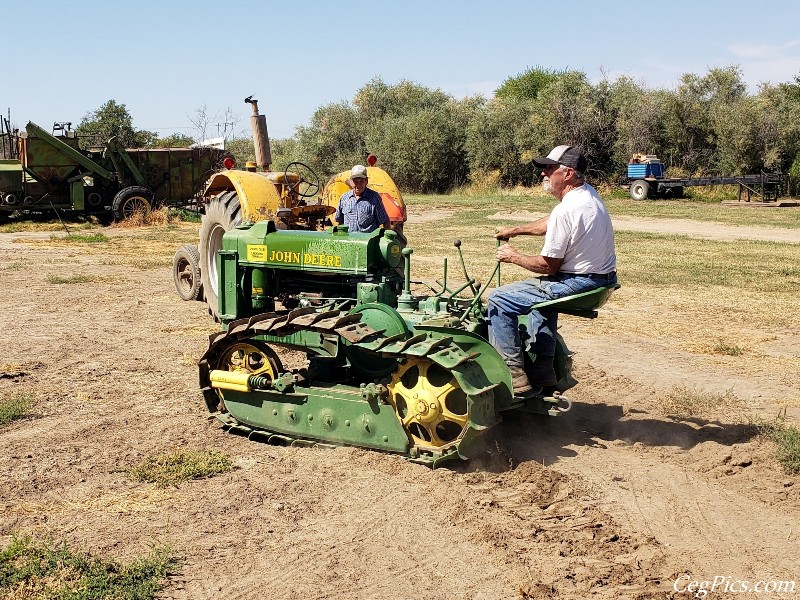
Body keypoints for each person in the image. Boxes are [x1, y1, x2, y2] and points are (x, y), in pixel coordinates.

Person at [489, 145, 617, 396]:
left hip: (581, 282)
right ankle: (544, 369)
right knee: (539, 297)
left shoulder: (566, 210)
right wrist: (513, 230)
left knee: (499, 300)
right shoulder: (587, 195)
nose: (543, 173)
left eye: (549, 168)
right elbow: (548, 223)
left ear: (567, 173)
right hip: (603, 281)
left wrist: (512, 256)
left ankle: (514, 376)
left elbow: (548, 265)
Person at [334, 165, 390, 233]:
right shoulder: (344, 198)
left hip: (368, 241)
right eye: (356, 181)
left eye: (361, 181)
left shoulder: (374, 197)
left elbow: (385, 221)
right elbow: (338, 221)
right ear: (351, 181)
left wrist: (385, 239)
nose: (358, 185)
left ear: (366, 181)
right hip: (349, 241)